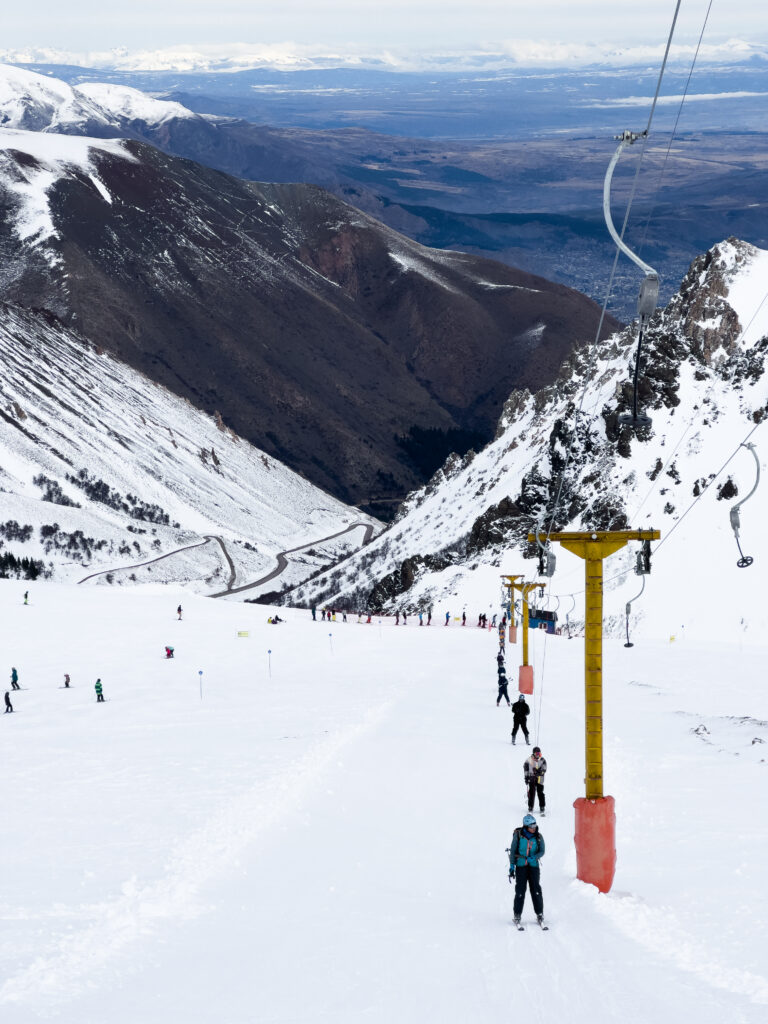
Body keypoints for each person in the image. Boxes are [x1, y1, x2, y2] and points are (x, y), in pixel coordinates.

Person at [508, 813, 545, 926]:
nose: (534, 828)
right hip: (521, 866)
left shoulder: (538, 836)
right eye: (531, 826)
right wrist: (512, 866)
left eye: (535, 825)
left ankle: (539, 914)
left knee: (536, 890)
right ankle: (517, 914)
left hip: (533, 866)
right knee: (520, 891)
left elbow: (542, 851)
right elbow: (513, 851)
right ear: (526, 826)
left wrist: (535, 857)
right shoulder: (518, 835)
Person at [524, 747, 547, 814]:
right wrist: (526, 778)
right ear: (533, 753)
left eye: (539, 753)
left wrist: (539, 772)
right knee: (531, 792)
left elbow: (544, 769)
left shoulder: (542, 760)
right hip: (531, 778)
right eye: (537, 753)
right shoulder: (529, 760)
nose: (538, 755)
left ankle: (542, 806)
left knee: (540, 792)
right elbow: (526, 769)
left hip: (540, 779)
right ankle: (530, 807)